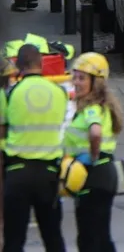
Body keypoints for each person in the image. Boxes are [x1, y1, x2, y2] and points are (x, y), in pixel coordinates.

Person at [3, 44, 68, 251]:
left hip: (17, 173)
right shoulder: (59, 92)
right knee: (53, 238)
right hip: (49, 175)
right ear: (41, 64)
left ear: (18, 65)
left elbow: (3, 130)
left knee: (14, 240)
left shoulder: (11, 94)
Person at [65, 52, 124, 251]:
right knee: (101, 237)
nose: (76, 82)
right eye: (75, 76)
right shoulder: (98, 106)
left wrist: (92, 155)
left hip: (93, 174)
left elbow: (95, 132)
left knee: (89, 239)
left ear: (96, 82)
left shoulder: (92, 108)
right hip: (101, 175)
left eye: (82, 78)